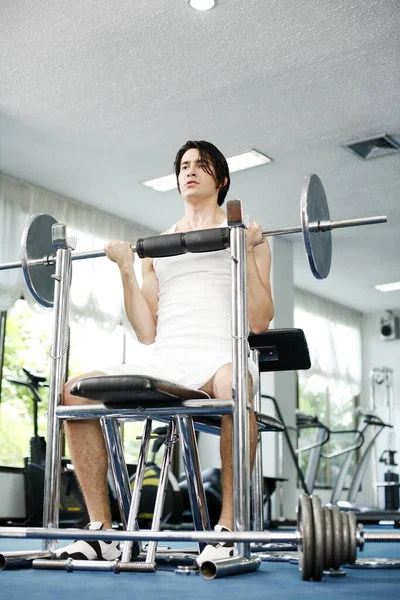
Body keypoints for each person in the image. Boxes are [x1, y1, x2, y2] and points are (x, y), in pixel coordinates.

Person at [56, 140, 274, 565]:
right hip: (166, 357)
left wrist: (245, 251)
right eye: (184, 166)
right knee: (74, 390)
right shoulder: (158, 246)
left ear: (221, 179)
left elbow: (261, 320)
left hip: (219, 356)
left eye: (201, 165)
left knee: (234, 383)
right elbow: (146, 332)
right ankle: (103, 531)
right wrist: (125, 270)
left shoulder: (248, 236)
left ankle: (228, 528)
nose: (190, 171)